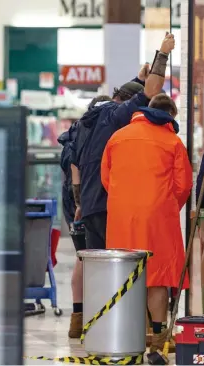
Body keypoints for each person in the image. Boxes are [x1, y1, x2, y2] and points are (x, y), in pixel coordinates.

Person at [101, 94, 193, 352]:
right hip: (158, 218)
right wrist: (167, 206)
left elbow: (106, 179)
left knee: (129, 274)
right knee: (158, 275)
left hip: (121, 218)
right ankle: (159, 337)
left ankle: (134, 335)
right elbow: (183, 185)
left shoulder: (117, 138)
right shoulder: (172, 141)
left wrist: (124, 201)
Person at [71, 33, 176, 250]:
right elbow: (151, 91)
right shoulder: (117, 117)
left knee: (97, 271)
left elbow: (75, 166)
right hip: (110, 207)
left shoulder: (89, 119)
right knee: (119, 273)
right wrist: (163, 54)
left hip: (90, 206)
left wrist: (79, 202)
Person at [57, 95, 112, 338]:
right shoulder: (87, 135)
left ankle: (78, 319)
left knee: (83, 258)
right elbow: (75, 174)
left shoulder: (76, 133)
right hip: (83, 202)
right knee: (90, 259)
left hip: (76, 201)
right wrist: (81, 204)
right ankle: (89, 318)